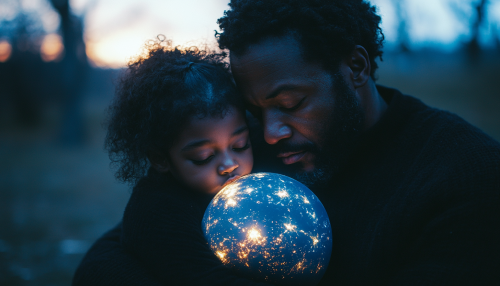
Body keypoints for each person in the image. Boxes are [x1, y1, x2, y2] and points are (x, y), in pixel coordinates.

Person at [74, 1, 500, 285]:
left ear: (356, 66)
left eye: (291, 103)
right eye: (255, 111)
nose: (271, 131)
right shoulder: (251, 148)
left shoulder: (467, 177)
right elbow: (119, 248)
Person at [73, 39, 274, 285]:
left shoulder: (267, 168)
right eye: (204, 157)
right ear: (160, 159)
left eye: (240, 145)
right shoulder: (156, 215)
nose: (230, 164)